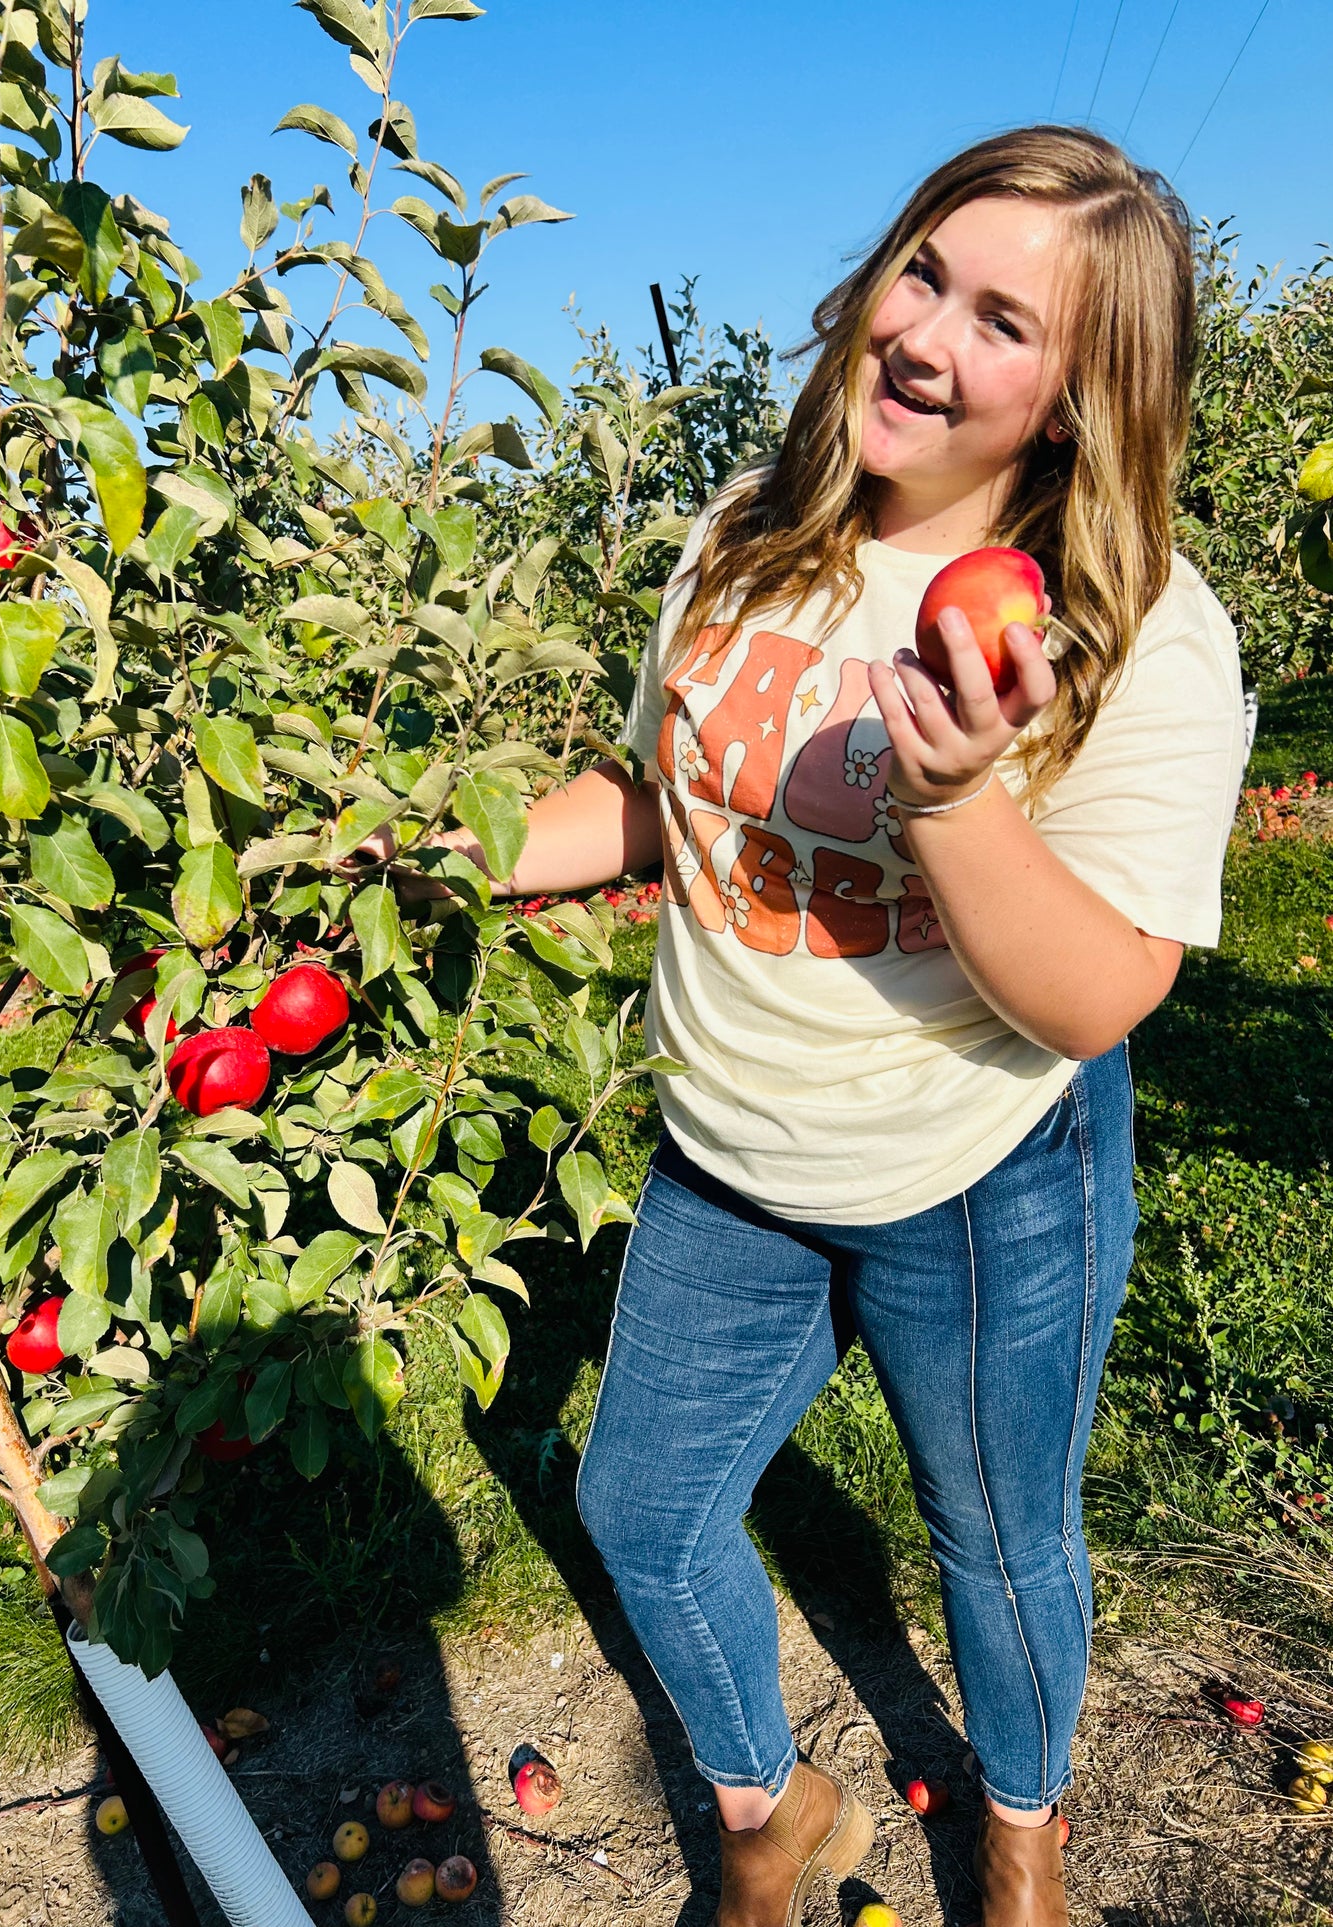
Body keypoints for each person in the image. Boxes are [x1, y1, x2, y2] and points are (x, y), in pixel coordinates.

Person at [365, 126, 1245, 1927]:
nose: (926, 332)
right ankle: (775, 1811)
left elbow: (1099, 993)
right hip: (730, 1154)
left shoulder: (1133, 634)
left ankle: (1018, 1831)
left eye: (1004, 319)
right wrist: (424, 848)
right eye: (924, 271)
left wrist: (954, 798)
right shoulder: (739, 545)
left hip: (980, 1168)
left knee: (998, 1547)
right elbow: (651, 798)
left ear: (1079, 399)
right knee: (644, 1512)